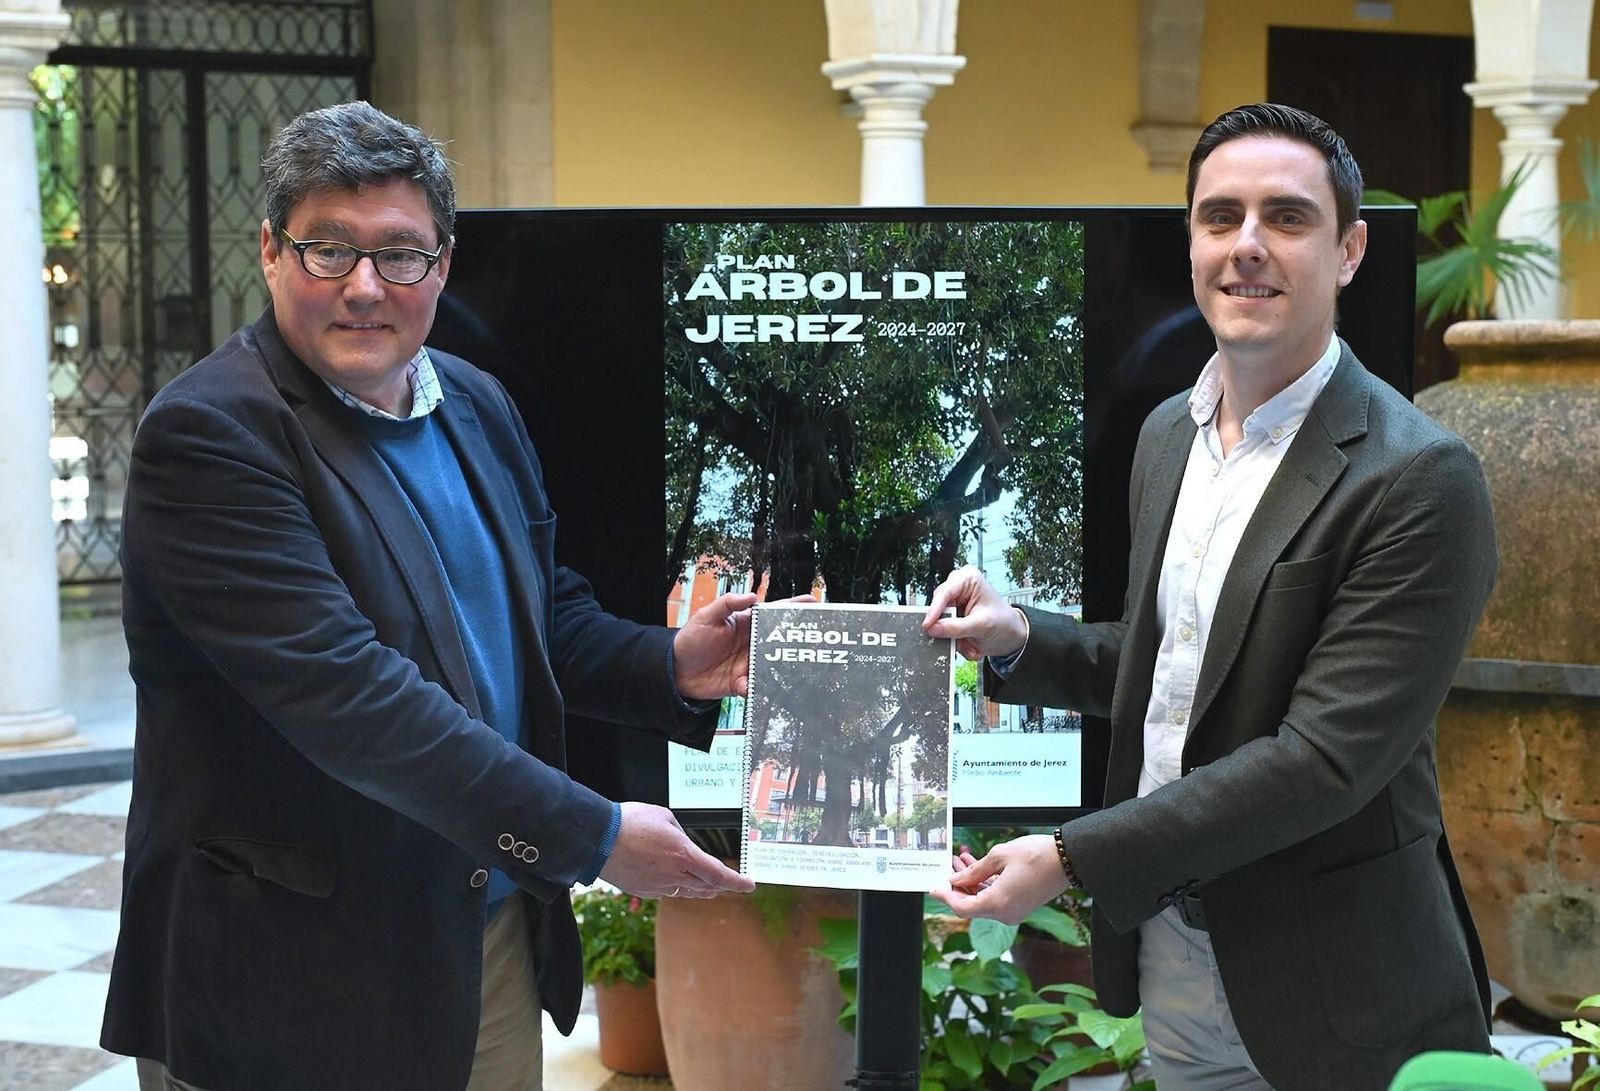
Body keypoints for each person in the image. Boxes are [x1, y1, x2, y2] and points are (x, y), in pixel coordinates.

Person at [100, 101, 758, 1091]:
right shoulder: (211, 435)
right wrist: (595, 835)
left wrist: (671, 662)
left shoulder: (474, 401)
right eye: (329, 249)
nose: (365, 286)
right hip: (291, 978)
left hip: (478, 938)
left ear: (442, 265)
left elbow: (541, 616)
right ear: (272, 252)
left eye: (400, 254)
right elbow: (353, 698)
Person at [924, 104, 1498, 1091]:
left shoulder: (1421, 476)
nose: (1247, 245)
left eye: (1287, 216)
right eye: (1220, 216)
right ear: (1190, 243)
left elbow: (1324, 758)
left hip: (1339, 992)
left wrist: (1071, 857)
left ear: (1350, 250)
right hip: (1175, 956)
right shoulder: (1166, 435)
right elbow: (1181, 670)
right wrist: (1020, 638)